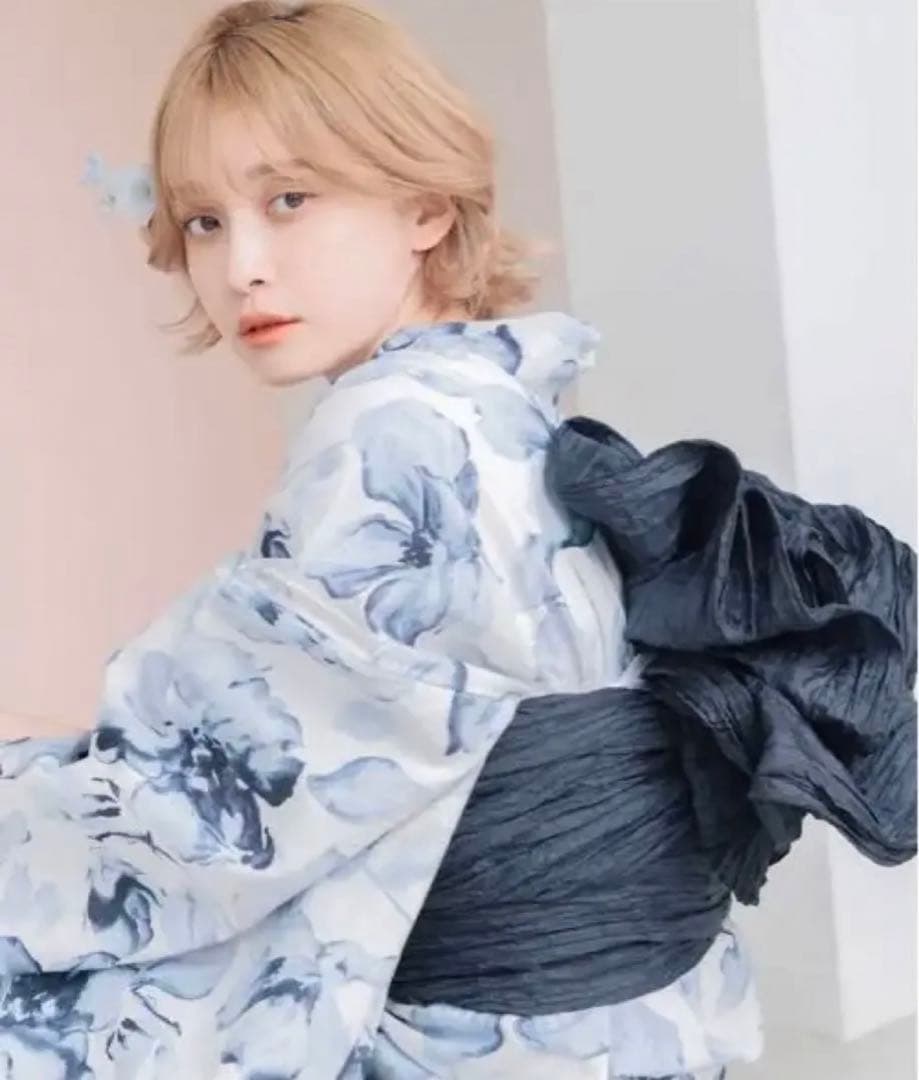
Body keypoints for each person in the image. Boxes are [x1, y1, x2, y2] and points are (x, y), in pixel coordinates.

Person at [0, 2, 914, 1078]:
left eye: (288, 200)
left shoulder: (387, 441)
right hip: (645, 1019)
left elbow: (206, 808)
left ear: (425, 205)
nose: (241, 265)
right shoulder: (502, 398)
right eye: (203, 221)